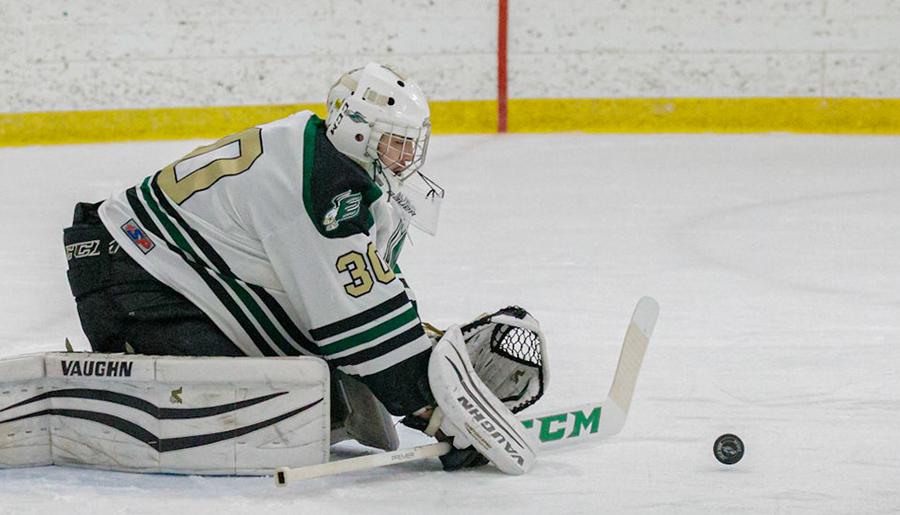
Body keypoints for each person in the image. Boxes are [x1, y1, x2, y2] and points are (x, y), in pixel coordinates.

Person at [60, 62, 546, 474]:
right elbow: (354, 323)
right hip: (132, 279)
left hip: (140, 266)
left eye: (411, 143)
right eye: (395, 142)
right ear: (358, 131)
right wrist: (433, 407)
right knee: (281, 405)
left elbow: (354, 296)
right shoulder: (323, 186)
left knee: (323, 395)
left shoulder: (317, 156)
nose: (405, 157)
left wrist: (418, 355)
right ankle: (119, 378)